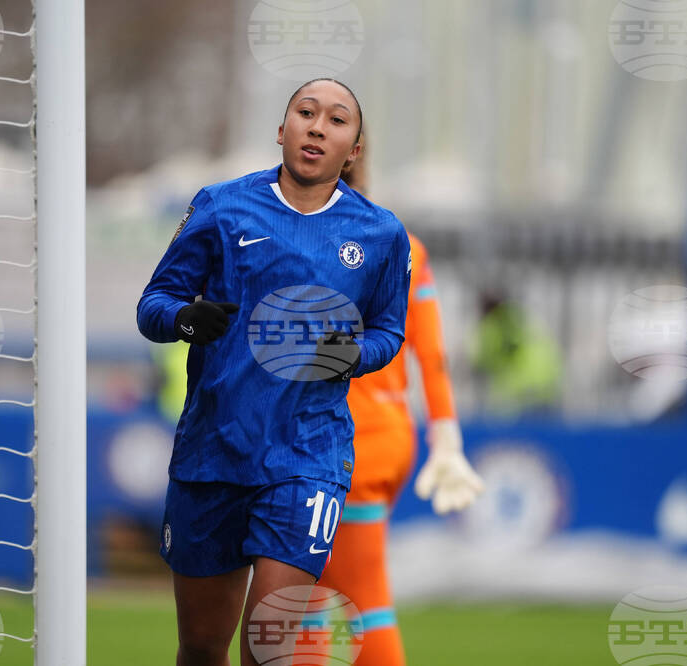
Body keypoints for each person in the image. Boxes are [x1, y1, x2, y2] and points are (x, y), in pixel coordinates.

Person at [136, 79, 411, 666]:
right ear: (281, 129)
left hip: (308, 456)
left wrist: (353, 354)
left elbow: (389, 331)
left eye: (336, 120)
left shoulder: (381, 233)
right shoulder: (221, 206)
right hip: (213, 453)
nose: (317, 127)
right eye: (305, 112)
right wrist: (185, 319)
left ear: (355, 149)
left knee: (268, 646)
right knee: (202, 647)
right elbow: (153, 305)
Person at [312, 134, 484, 665]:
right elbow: (431, 354)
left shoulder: (296, 239)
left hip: (330, 442)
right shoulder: (405, 244)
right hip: (386, 437)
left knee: (331, 598)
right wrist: (446, 438)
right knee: (320, 595)